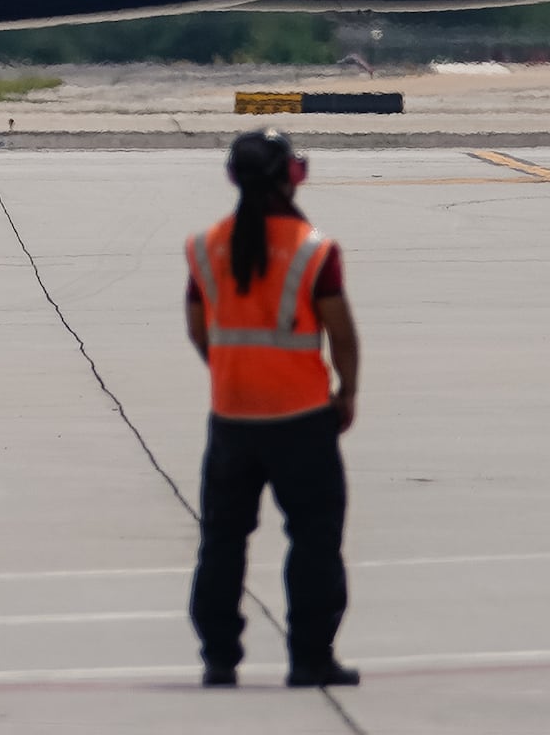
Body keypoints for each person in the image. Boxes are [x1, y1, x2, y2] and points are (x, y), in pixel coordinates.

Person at [184, 127, 359, 687]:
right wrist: (346, 392)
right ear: (288, 177)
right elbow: (342, 332)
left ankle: (219, 657)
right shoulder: (313, 248)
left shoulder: (207, 245)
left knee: (223, 540)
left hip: (232, 418)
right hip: (301, 418)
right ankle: (310, 657)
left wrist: (231, 371)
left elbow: (198, 325)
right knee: (314, 537)